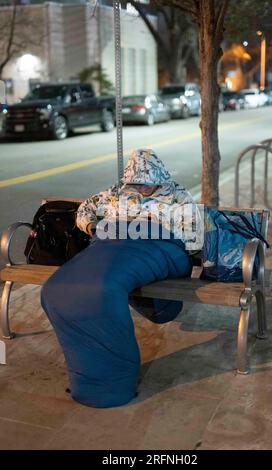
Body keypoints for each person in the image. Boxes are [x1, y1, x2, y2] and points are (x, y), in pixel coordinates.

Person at [41, 149, 203, 408]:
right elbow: (86, 210)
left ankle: (113, 382)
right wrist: (93, 228)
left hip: (157, 249)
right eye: (137, 182)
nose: (142, 186)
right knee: (57, 288)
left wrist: (153, 233)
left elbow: (195, 239)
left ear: (159, 176)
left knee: (104, 289)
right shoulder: (116, 193)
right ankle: (91, 379)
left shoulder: (178, 196)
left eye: (147, 181)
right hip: (111, 246)